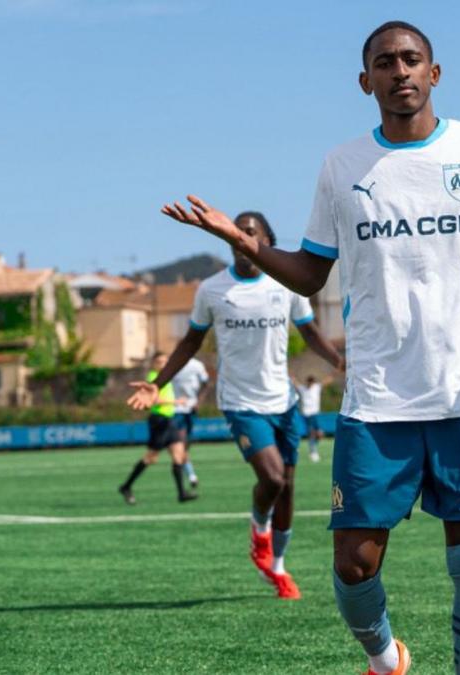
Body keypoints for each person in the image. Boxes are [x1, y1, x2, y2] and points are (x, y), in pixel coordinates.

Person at [161, 20, 460, 674]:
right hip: (378, 396)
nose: (400, 72)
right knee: (353, 562)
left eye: (412, 60)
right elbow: (310, 274)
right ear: (366, 81)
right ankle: (387, 656)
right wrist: (251, 247)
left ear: (435, 72)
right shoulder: (342, 165)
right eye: (386, 63)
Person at [128, 211, 343, 601]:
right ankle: (258, 527)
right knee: (273, 479)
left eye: (249, 233)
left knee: (289, 487)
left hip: (283, 400)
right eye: (236, 234)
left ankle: (277, 566)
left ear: (266, 241)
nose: (241, 239)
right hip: (240, 402)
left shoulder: (286, 285)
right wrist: (157, 384)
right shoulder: (212, 290)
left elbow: (310, 331)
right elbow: (191, 341)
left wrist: (341, 363)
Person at [118, 352, 199, 505]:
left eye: (165, 362)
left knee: (178, 455)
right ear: (154, 364)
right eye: (159, 362)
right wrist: (174, 402)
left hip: (170, 420)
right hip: (159, 421)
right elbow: (153, 400)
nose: (162, 364)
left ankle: (181, 493)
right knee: (151, 458)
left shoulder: (168, 379)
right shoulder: (153, 378)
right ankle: (126, 486)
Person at [171, 357, 210, 489]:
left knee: (185, 446)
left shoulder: (197, 365)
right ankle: (191, 476)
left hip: (191, 409)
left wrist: (199, 402)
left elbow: (206, 383)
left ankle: (190, 474)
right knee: (180, 445)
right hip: (175, 410)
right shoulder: (172, 362)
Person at [292, 374, 333, 462]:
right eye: (309, 381)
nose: (310, 383)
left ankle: (312, 448)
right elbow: (295, 383)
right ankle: (313, 451)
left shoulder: (316, 387)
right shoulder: (303, 389)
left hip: (315, 414)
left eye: (312, 381)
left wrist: (337, 371)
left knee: (320, 434)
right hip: (307, 414)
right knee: (311, 433)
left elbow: (328, 380)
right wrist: (292, 376)